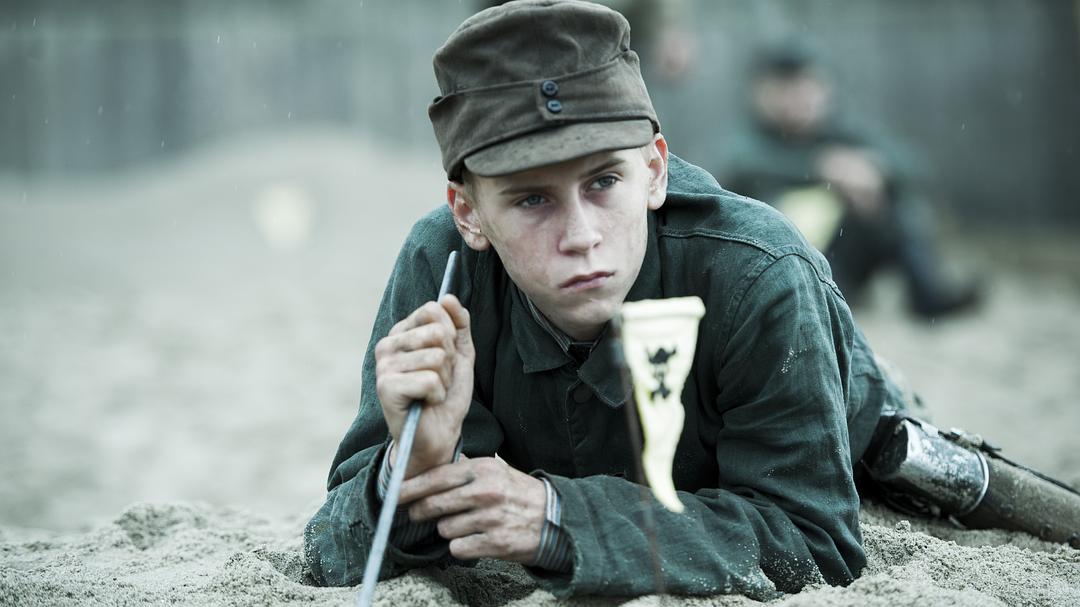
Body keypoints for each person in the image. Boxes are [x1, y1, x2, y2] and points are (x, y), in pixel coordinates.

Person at [302, 0, 942, 598]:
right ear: (468, 213)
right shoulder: (443, 266)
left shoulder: (759, 270)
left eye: (604, 181)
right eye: (532, 199)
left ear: (654, 171)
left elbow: (815, 545)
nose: (581, 236)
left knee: (937, 475)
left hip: (854, 423)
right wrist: (412, 464)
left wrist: (558, 518)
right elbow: (330, 549)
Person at [718, 41, 980, 318]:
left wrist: (871, 170)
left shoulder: (842, 132)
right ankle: (820, 294)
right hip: (793, 260)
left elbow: (911, 167)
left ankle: (927, 293)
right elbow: (742, 168)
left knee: (895, 202)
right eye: (785, 90)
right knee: (809, 205)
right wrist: (823, 170)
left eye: (805, 88)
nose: (796, 100)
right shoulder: (753, 141)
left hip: (853, 249)